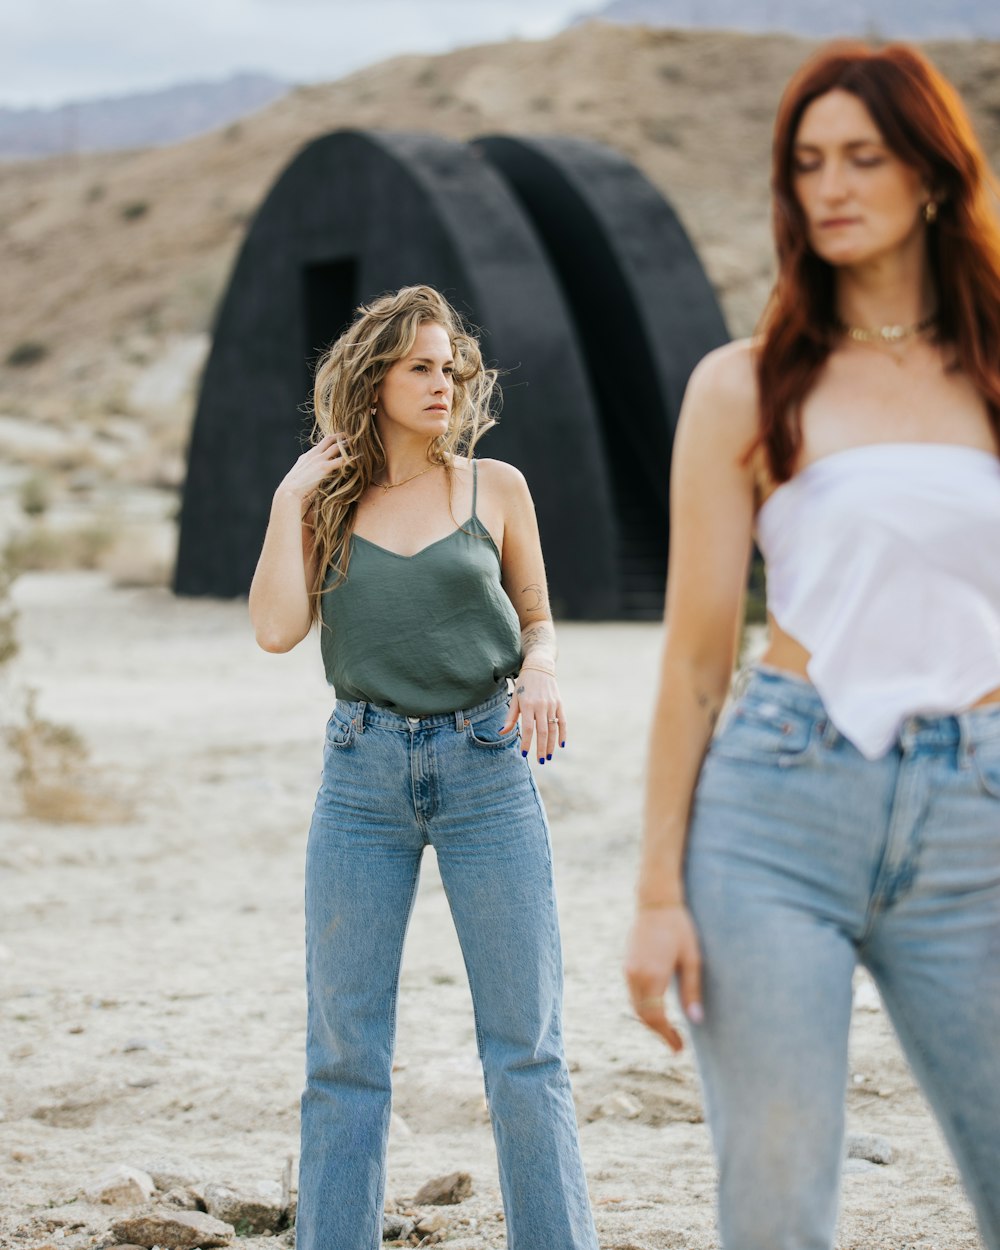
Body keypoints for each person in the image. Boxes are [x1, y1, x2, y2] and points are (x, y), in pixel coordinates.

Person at [624, 41, 1000, 1250]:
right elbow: (693, 659)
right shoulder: (746, 386)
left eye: (862, 157)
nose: (828, 186)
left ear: (933, 174)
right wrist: (654, 895)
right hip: (778, 805)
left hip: (977, 807)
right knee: (778, 1197)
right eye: (804, 164)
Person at [248, 285, 598, 1250]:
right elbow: (277, 629)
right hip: (361, 777)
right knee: (345, 1056)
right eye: (420, 367)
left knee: (526, 1051)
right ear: (375, 377)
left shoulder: (498, 487)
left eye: (451, 368)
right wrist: (287, 498)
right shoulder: (323, 500)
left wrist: (543, 673)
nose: (443, 383)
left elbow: (537, 617)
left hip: (488, 764)